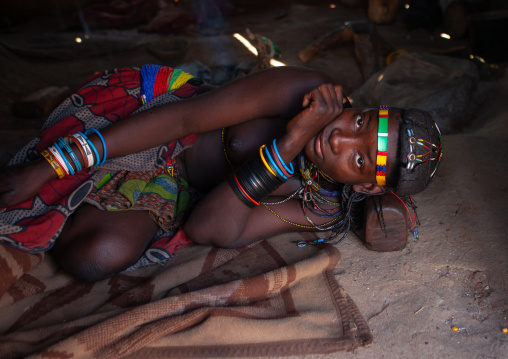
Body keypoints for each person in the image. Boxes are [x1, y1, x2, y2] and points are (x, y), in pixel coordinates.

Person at [0, 64, 443, 282]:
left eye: (360, 160)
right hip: (154, 119)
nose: (340, 139)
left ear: (365, 185)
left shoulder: (322, 205)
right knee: (24, 188)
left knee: (93, 257)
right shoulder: (302, 89)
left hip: (175, 184)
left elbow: (209, 226)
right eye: (360, 123)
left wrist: (289, 143)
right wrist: (50, 166)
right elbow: (181, 121)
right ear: (365, 108)